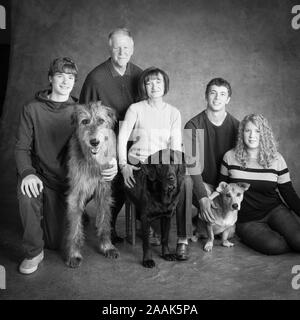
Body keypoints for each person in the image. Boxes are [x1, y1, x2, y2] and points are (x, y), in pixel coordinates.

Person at [15, 57, 117, 275]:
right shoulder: (32, 109)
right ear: (50, 79)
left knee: (55, 240)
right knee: (26, 191)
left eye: (70, 77)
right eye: (60, 76)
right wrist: (27, 173)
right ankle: (33, 252)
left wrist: (113, 161)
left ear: (74, 81)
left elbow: (102, 135)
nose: (65, 81)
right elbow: (21, 148)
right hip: (42, 179)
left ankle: (98, 235)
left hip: (69, 181)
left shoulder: (80, 109)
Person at [118, 67, 191, 260]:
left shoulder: (173, 113)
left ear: (165, 85)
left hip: (162, 166)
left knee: (186, 183)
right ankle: (148, 228)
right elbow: (122, 137)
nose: (154, 86)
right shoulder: (136, 109)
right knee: (146, 190)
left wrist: (176, 170)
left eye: (158, 81)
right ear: (144, 86)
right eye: (149, 82)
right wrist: (123, 165)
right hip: (139, 163)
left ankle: (182, 239)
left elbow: (175, 148)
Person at [80, 27, 142, 243]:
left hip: (132, 143)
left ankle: (144, 222)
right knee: (111, 177)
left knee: (138, 174)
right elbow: (84, 118)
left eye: (126, 47)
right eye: (117, 47)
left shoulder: (139, 75)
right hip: (103, 143)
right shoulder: (96, 78)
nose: (122, 51)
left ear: (132, 48)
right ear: (110, 49)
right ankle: (106, 224)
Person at [220, 114, 300, 254]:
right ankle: (248, 237)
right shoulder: (229, 157)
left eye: (257, 131)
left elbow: (288, 192)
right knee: (275, 247)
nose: (252, 135)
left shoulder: (276, 158)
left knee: (298, 241)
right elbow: (221, 188)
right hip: (247, 219)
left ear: (264, 134)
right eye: (248, 131)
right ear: (242, 134)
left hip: (274, 210)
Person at [184, 78, 239, 224]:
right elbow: (192, 165)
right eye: (213, 93)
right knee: (185, 181)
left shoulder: (237, 126)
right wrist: (203, 196)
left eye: (222, 94)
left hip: (229, 187)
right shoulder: (192, 125)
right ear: (206, 96)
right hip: (203, 183)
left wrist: (228, 191)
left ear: (228, 99)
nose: (217, 98)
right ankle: (185, 236)